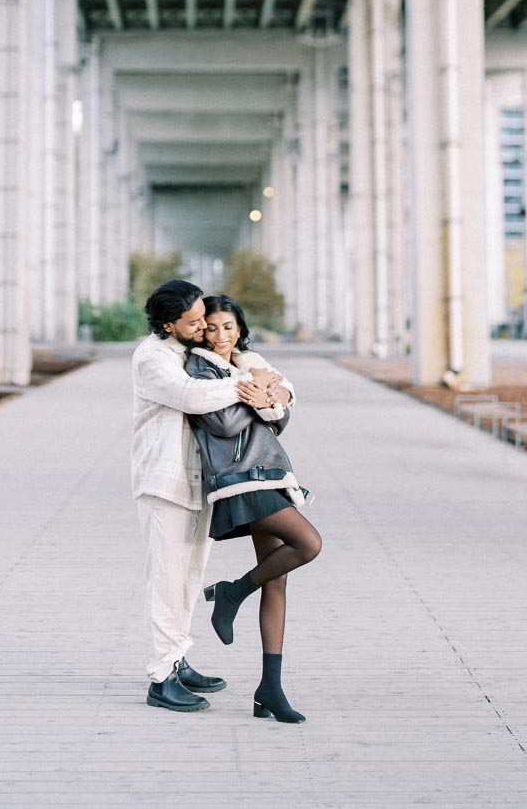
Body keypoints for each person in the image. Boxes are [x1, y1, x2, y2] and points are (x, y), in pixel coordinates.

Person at [132, 279, 292, 713]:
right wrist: (249, 386)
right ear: (169, 325)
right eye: (195, 322)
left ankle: (178, 659)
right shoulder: (153, 358)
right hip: (164, 484)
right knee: (166, 582)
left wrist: (275, 384)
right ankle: (161, 678)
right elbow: (191, 396)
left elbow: (255, 362)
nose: (204, 326)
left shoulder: (188, 350)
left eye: (205, 316)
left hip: (199, 483)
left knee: (187, 579)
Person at [185, 295, 321, 724]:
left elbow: (278, 420)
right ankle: (231, 591)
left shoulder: (249, 365)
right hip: (240, 480)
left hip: (272, 474)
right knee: (309, 543)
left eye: (228, 327)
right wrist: (259, 395)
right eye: (211, 327)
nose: (220, 335)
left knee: (277, 582)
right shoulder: (200, 368)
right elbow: (221, 424)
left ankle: (269, 690)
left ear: (239, 329)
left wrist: (266, 395)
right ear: (200, 331)